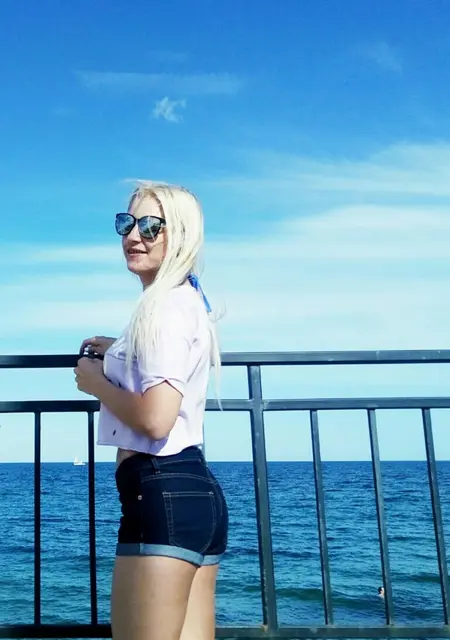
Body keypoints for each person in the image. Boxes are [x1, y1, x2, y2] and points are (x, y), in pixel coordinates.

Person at [74, 181, 228, 640]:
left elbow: (156, 419)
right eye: (126, 223)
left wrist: (96, 383)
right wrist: (120, 348)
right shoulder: (185, 300)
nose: (132, 236)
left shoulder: (162, 309)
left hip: (159, 491)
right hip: (194, 494)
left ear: (179, 235)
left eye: (149, 226)